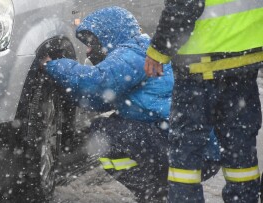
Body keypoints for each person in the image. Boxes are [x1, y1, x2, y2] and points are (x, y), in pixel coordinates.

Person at [42, 6, 220, 202]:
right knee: (113, 126)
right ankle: (161, 191)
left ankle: (155, 194)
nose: (88, 50)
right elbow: (98, 100)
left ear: (109, 34)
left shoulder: (133, 52)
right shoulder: (139, 49)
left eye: (92, 42)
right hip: (198, 148)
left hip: (185, 145)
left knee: (103, 133)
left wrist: (54, 65)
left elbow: (96, 83)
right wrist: (68, 88)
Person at [144, 0, 263, 202]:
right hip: (244, 67)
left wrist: (158, 51)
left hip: (199, 70)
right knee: (240, 150)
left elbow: (184, 7)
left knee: (186, 155)